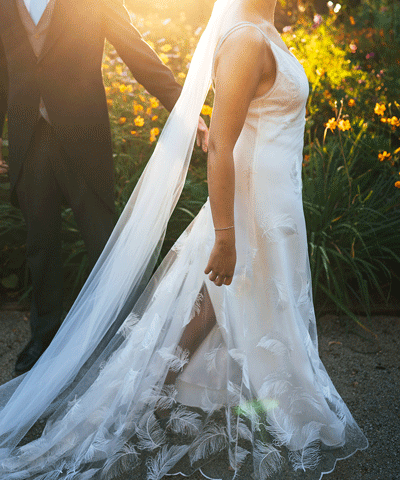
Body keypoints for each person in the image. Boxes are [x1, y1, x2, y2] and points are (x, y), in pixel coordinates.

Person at [0, 0, 368, 478]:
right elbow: (222, 145)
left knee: (198, 299)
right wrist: (225, 233)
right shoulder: (245, 40)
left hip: (262, 201)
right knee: (192, 298)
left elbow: (145, 57)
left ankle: (142, 387)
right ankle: (109, 384)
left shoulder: (261, 31)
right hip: (239, 202)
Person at [0, 0, 208, 376]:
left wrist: (185, 109)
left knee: (103, 242)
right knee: (39, 246)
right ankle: (43, 339)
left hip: (83, 136)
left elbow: (134, 48)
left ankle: (120, 336)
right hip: (28, 139)